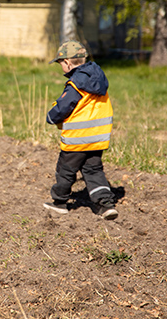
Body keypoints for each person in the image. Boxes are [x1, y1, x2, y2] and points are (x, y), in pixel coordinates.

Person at [43, 40, 118, 220]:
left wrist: (51, 117)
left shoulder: (76, 83)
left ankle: (59, 203)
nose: (61, 68)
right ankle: (105, 205)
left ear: (68, 62)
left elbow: (64, 106)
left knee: (65, 170)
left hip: (77, 138)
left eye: (60, 63)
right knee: (93, 170)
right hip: (97, 138)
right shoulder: (97, 78)